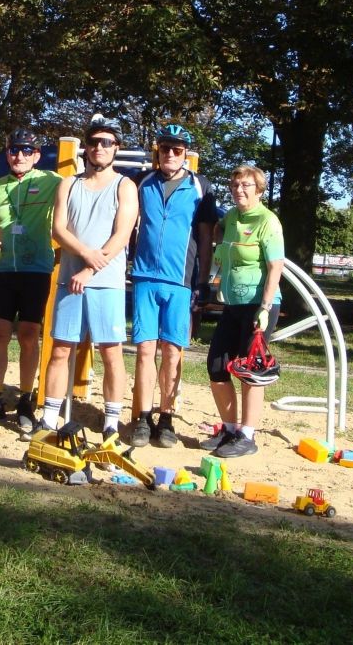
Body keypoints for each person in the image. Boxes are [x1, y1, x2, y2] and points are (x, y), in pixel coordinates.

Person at [39, 119, 138, 440]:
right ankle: (48, 417)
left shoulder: (125, 186)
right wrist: (84, 255)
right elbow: (58, 229)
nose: (100, 147)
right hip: (70, 281)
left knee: (111, 352)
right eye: (94, 141)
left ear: (116, 148)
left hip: (106, 284)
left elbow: (122, 234)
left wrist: (91, 268)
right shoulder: (69, 184)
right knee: (60, 350)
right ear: (87, 147)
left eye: (107, 142)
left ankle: (111, 422)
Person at [129, 123, 218, 448]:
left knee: (172, 351)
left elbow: (206, 239)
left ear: (185, 154)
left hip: (180, 281)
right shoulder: (142, 182)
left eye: (176, 150)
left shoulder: (200, 186)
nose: (170, 154)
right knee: (144, 350)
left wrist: (204, 281)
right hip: (144, 277)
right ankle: (142, 417)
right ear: (158, 151)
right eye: (165, 148)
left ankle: (166, 418)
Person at [0, 128, 62, 432]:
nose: (19, 155)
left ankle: (25, 400)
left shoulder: (53, 181)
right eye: (14, 150)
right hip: (4, 269)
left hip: (36, 269)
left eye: (26, 150)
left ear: (36, 155)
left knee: (28, 334)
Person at [201, 164, 284, 458]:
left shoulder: (268, 221)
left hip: (259, 305)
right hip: (233, 304)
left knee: (251, 371)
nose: (239, 190)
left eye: (246, 185)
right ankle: (229, 429)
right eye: (235, 185)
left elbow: (275, 266)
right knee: (217, 365)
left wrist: (265, 307)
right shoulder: (232, 217)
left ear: (259, 190)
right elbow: (219, 235)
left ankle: (247, 436)